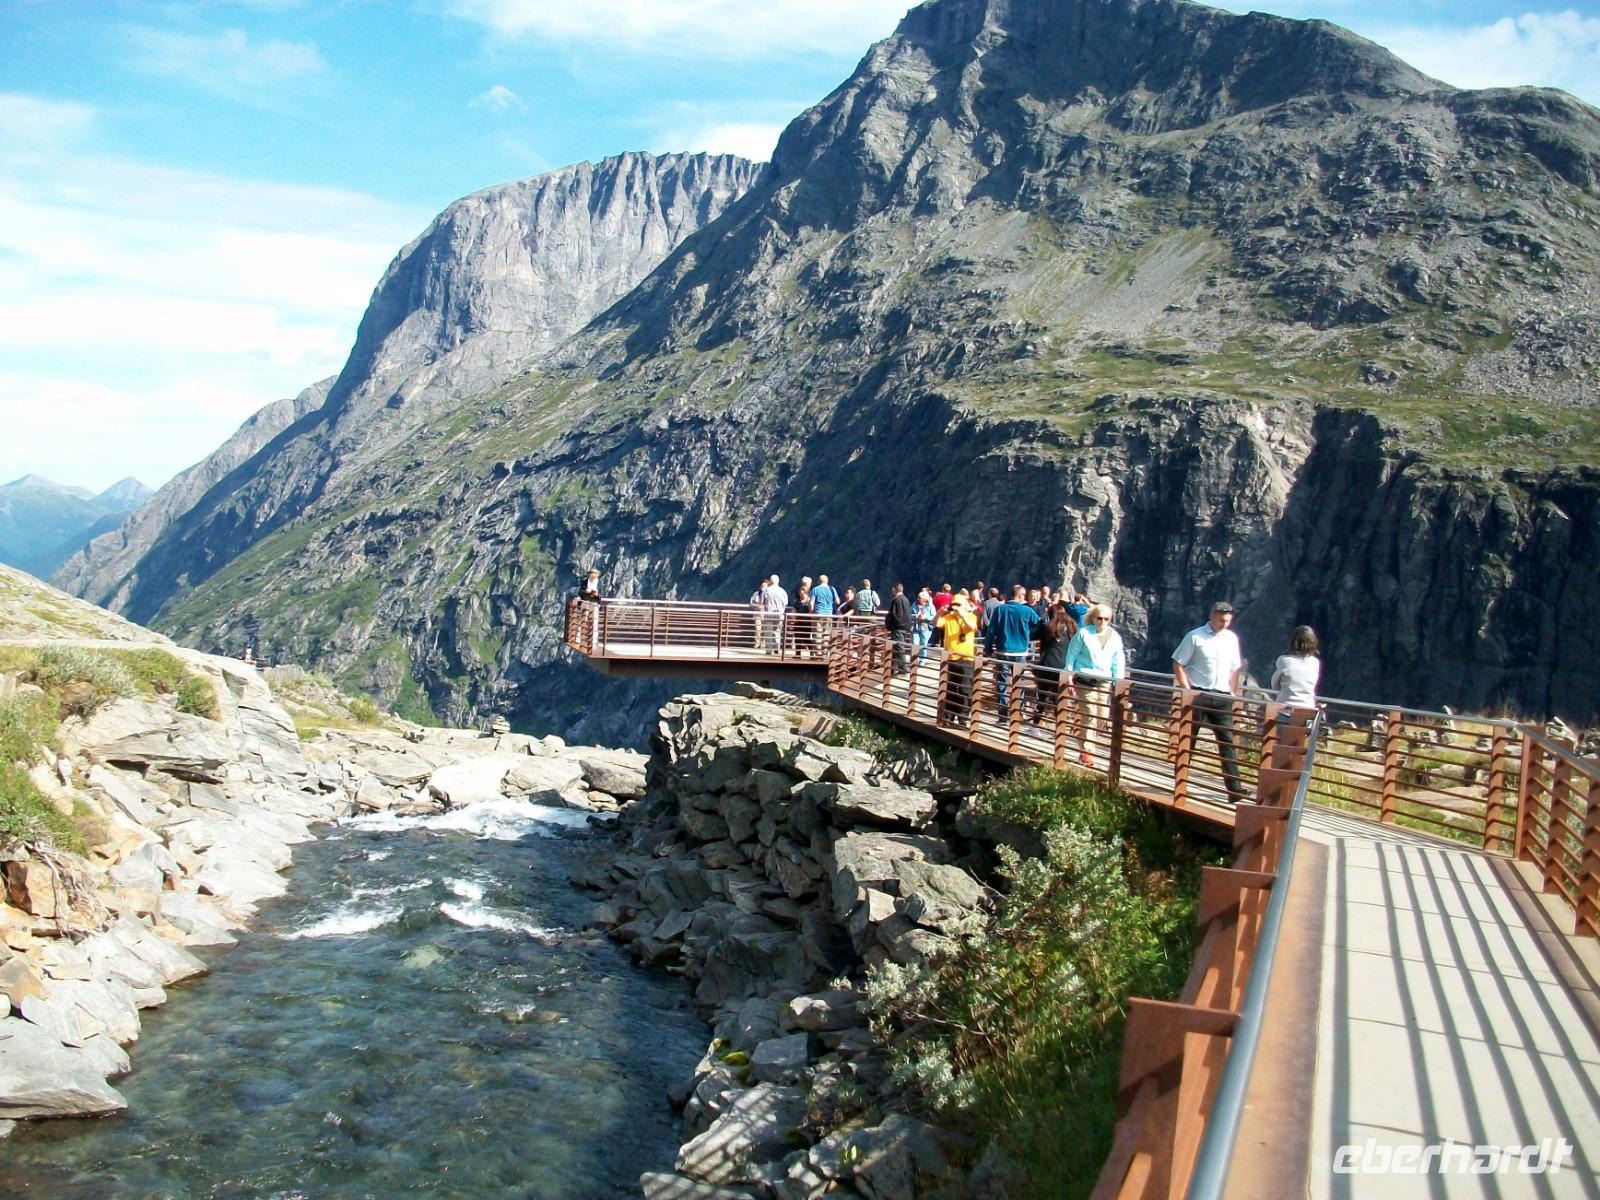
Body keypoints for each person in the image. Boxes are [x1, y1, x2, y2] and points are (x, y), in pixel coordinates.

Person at [1172, 601, 1247, 804]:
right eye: (1222, 620)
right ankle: (1180, 784)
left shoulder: (1232, 639)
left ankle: (1235, 789)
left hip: (1223, 695)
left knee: (1227, 741)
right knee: (1189, 739)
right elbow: (1178, 662)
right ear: (1212, 616)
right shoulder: (1195, 636)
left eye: (1228, 621)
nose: (1224, 624)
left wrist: (1232, 691)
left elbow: (1235, 667)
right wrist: (1188, 690)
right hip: (1199, 693)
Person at [1067, 603, 1126, 768]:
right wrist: (1069, 677)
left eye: (1106, 619)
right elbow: (1071, 655)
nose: (1102, 621)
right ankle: (1087, 752)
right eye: (1099, 618)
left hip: (1104, 681)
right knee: (1090, 715)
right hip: (1085, 679)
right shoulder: (1083, 634)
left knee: (1102, 718)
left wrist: (1118, 682)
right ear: (1093, 618)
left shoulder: (1114, 637)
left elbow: (1118, 660)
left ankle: (1084, 741)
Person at [984, 585, 1041, 720]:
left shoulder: (1000, 610)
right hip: (1020, 651)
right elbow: (1040, 624)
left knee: (1002, 683)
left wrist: (988, 648)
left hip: (1003, 650)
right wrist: (1029, 635)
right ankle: (1018, 712)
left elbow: (991, 631)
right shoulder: (1026, 611)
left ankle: (1003, 714)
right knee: (1018, 683)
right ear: (1020, 596)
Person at [935, 591, 979, 726]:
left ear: (965, 605)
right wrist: (940, 612)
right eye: (954, 604)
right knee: (950, 689)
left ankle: (963, 718)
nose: (956, 607)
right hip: (951, 657)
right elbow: (935, 623)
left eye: (959, 604)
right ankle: (948, 717)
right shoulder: (948, 617)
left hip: (966, 658)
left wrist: (962, 614)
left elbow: (972, 627)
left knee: (966, 689)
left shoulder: (971, 617)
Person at [1033, 601, 1077, 723]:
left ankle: (1035, 726)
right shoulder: (1073, 628)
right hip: (1064, 666)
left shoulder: (1048, 627)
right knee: (1059, 699)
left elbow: (1033, 635)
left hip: (1047, 665)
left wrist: (1042, 620)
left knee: (1041, 696)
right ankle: (1060, 729)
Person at [1272, 625, 1320, 712]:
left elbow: (1274, 685)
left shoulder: (1284, 660)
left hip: (1284, 709)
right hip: (1308, 709)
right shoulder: (1315, 663)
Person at [885, 583, 914, 675]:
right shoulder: (906, 599)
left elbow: (894, 615)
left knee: (899, 647)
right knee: (896, 647)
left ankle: (904, 668)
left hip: (897, 628)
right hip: (905, 628)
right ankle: (893, 668)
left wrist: (889, 625)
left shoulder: (896, 600)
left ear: (894, 589)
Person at [760, 574, 789, 653]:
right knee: (777, 632)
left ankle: (769, 650)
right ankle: (777, 648)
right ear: (778, 581)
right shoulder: (782, 591)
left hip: (768, 614)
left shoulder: (766, 590)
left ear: (770, 581)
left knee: (768, 632)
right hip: (779, 614)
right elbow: (786, 603)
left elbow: (761, 602)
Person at [812, 573, 839, 655]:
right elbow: (838, 601)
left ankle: (818, 652)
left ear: (818, 581)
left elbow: (811, 603)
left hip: (818, 614)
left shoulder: (815, 589)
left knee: (817, 634)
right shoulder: (832, 589)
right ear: (827, 581)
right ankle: (825, 652)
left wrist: (811, 612)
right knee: (826, 634)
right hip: (828, 615)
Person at [912, 587, 937, 662]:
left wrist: (926, 617)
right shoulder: (914, 605)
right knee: (915, 644)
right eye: (918, 598)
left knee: (923, 645)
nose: (919, 599)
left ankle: (922, 660)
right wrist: (915, 616)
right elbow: (909, 614)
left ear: (925, 600)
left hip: (926, 628)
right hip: (916, 627)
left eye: (920, 598)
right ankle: (914, 660)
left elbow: (934, 617)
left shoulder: (931, 607)